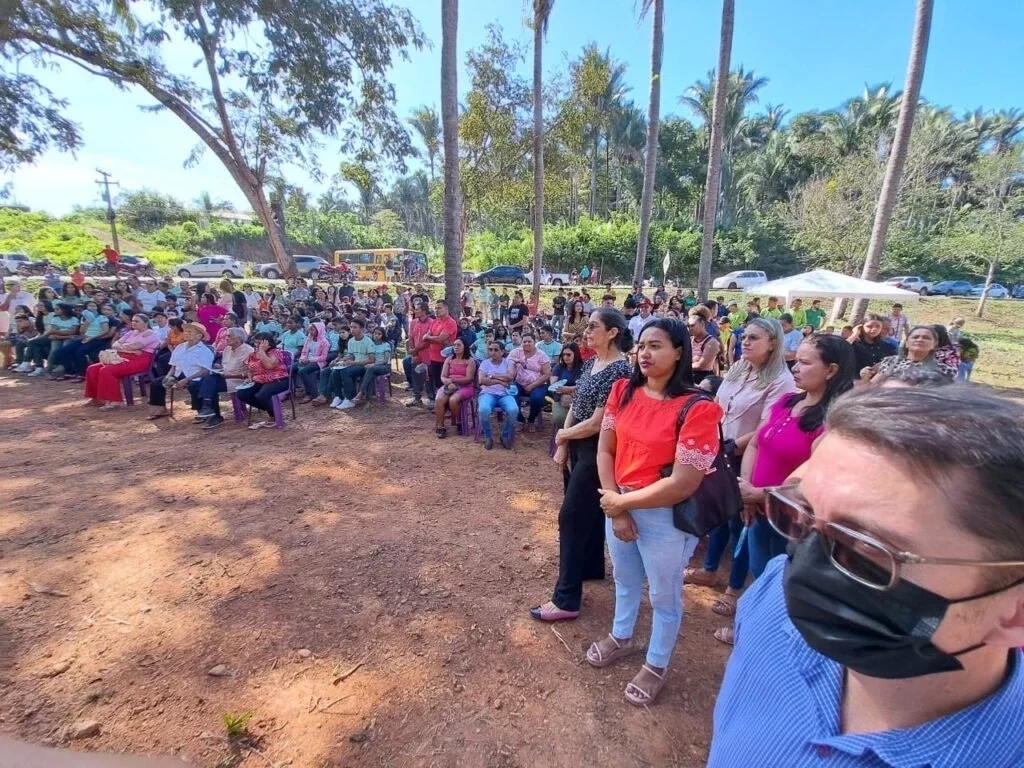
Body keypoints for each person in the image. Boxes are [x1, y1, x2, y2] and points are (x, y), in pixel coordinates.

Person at [708, 387, 1024, 768]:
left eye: (867, 544)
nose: (805, 565)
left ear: (1015, 611)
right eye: (802, 510)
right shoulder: (774, 597)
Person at [586, 318, 723, 706]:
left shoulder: (698, 408)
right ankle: (622, 635)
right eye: (642, 345)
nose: (645, 353)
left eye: (657, 345)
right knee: (626, 581)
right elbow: (605, 450)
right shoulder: (622, 391)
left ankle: (657, 663)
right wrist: (616, 507)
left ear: (679, 352)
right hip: (618, 501)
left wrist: (622, 505)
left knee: (665, 595)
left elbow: (684, 482)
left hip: (665, 515)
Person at [707, 334, 856, 647]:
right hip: (762, 509)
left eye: (804, 362)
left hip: (794, 521)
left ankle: (769, 639)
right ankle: (755, 630)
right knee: (761, 574)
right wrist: (747, 490)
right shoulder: (790, 402)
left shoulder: (835, 423)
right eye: (795, 360)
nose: (795, 368)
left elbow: (815, 476)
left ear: (831, 370)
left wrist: (758, 494)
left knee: (785, 582)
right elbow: (758, 444)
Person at [685, 317, 796, 617]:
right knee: (718, 514)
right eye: (744, 336)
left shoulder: (782, 381)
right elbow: (719, 408)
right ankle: (709, 569)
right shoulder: (738, 368)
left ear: (772, 343)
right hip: (718, 449)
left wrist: (732, 447)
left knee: (741, 522)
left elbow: (766, 427)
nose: (745, 341)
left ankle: (735, 587)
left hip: (746, 456)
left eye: (754, 338)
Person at [532, 308, 633, 622]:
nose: (586, 331)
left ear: (613, 332)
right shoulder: (592, 361)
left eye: (593, 326)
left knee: (571, 518)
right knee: (586, 513)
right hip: (578, 445)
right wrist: (564, 442)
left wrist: (563, 434)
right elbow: (576, 403)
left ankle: (566, 599)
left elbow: (598, 423)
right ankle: (589, 567)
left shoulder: (620, 371)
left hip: (598, 452)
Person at [83, 314, 160, 409]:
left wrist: (125, 347)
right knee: (92, 368)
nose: (134, 323)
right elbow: (115, 345)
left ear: (146, 323)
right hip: (122, 357)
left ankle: (115, 401)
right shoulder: (131, 333)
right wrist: (129, 349)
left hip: (140, 361)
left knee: (107, 370)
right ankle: (97, 399)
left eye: (137, 321)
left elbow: (135, 346)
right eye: (133, 320)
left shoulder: (150, 334)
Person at [146, 322, 213, 420]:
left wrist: (186, 380)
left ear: (199, 336)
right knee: (156, 383)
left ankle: (202, 410)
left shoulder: (204, 350)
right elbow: (173, 366)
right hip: (178, 375)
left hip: (195, 376)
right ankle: (160, 410)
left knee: (194, 385)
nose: (186, 333)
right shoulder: (180, 347)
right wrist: (169, 376)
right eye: (185, 331)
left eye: (190, 332)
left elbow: (205, 371)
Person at [193, 327, 253, 429]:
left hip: (240, 380)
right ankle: (211, 410)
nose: (226, 338)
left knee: (210, 383)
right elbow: (226, 366)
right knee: (208, 379)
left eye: (229, 336)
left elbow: (250, 372)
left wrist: (229, 375)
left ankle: (211, 411)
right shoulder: (227, 349)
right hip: (226, 377)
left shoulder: (248, 350)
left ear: (238, 338)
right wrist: (218, 369)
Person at [236, 332, 290, 429]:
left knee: (262, 394)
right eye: (256, 343)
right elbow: (250, 369)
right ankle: (271, 409)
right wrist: (249, 378)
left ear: (267, 343)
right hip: (260, 380)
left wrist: (262, 351)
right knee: (242, 394)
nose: (256, 345)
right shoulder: (253, 354)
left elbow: (269, 366)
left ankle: (275, 415)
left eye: (259, 343)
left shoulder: (275, 352)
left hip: (278, 379)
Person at [869, 325, 957, 384]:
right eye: (915, 337)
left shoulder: (944, 370)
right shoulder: (890, 361)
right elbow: (873, 386)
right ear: (906, 342)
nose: (920, 340)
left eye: (926, 338)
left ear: (935, 344)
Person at [476, 339, 520, 450]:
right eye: (490, 349)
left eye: (496, 350)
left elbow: (510, 377)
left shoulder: (508, 362)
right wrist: (500, 381)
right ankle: (488, 436)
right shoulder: (485, 363)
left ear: (502, 352)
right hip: (487, 393)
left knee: (513, 410)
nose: (493, 352)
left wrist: (491, 376)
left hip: (505, 394)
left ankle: (504, 435)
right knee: (483, 410)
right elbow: (481, 380)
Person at [433, 337, 476, 438]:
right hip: (449, 385)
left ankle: (458, 421)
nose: (456, 347)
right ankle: (440, 426)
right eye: (454, 345)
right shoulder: (449, 359)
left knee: (453, 400)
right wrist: (448, 382)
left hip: (465, 386)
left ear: (464, 347)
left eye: (459, 345)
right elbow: (443, 376)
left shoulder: (470, 361)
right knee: (439, 399)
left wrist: (454, 381)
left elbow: (469, 378)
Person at [509, 332, 552, 431]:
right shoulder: (516, 352)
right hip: (519, 383)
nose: (527, 344)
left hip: (538, 384)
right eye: (524, 341)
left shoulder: (542, 355)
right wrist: (516, 361)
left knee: (537, 398)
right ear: (521, 342)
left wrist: (532, 386)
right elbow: (508, 361)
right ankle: (520, 420)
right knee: (511, 395)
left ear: (534, 342)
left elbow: (546, 374)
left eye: (529, 341)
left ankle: (531, 420)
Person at [329, 319, 374, 410]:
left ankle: (349, 399)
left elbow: (371, 360)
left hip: (363, 366)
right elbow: (351, 356)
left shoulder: (368, 341)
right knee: (335, 371)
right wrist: (342, 361)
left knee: (346, 372)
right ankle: (339, 396)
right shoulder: (351, 341)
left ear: (361, 329)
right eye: (351, 327)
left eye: (355, 327)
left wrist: (354, 362)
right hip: (353, 364)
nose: (352, 329)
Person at [27, 302, 80, 377]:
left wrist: (59, 332)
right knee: (53, 351)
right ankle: (48, 370)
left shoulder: (73, 319)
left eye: (57, 309)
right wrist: (66, 333)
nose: (55, 310)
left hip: (64, 337)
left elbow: (73, 331)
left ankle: (66, 369)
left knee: (65, 348)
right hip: (59, 337)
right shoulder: (55, 319)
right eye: (55, 309)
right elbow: (54, 331)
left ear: (64, 310)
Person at [423, 300, 458, 397]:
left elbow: (440, 338)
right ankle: (437, 402)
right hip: (433, 357)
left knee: (445, 383)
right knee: (436, 382)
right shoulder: (435, 321)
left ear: (446, 309)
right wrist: (432, 338)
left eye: (439, 308)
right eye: (435, 308)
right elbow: (426, 337)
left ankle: (446, 405)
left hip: (445, 359)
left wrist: (431, 338)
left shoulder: (450, 322)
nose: (436, 310)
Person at [402, 304, 433, 408]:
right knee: (415, 375)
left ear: (424, 311)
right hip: (416, 354)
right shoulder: (414, 322)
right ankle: (417, 398)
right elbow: (410, 337)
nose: (415, 311)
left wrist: (416, 349)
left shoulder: (431, 323)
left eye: (417, 309)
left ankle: (431, 398)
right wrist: (413, 352)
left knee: (428, 376)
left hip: (428, 354)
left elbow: (429, 341)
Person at [549, 343, 583, 431]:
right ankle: (565, 439)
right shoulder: (558, 367)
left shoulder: (583, 367)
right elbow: (554, 386)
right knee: (561, 418)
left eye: (568, 354)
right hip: (559, 400)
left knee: (581, 420)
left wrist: (568, 389)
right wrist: (572, 390)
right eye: (563, 354)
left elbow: (585, 386)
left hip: (579, 400)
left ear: (576, 355)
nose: (565, 357)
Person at [295, 321, 329, 402]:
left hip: (318, 362)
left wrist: (310, 360)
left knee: (303, 371)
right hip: (306, 360)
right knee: (291, 368)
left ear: (318, 330)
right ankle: (296, 389)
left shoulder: (325, 342)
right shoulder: (309, 339)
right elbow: (304, 351)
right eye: (309, 330)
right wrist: (302, 358)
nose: (310, 332)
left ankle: (312, 394)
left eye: (312, 330)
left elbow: (323, 357)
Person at [687, 309, 721, 384]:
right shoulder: (690, 339)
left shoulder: (711, 342)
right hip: (689, 374)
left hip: (703, 378)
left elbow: (701, 365)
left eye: (692, 325)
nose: (690, 328)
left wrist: (682, 366)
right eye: (688, 326)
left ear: (702, 324)